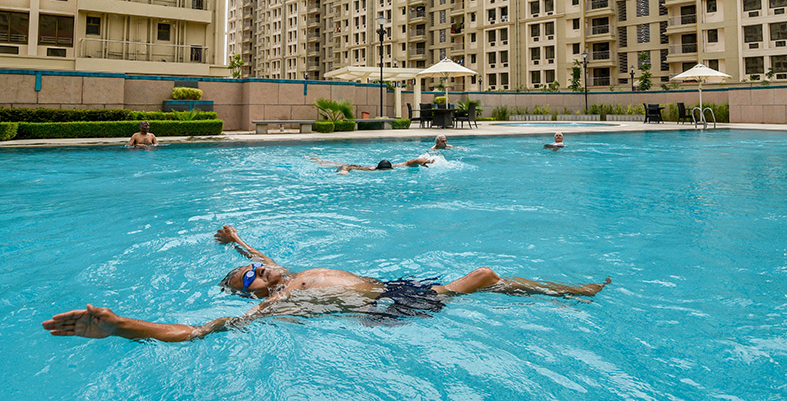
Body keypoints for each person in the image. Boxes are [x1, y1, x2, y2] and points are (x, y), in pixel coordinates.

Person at [42, 225, 611, 343]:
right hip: (388, 307)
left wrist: (235, 242)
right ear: (256, 293)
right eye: (252, 276)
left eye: (259, 267)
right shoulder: (280, 301)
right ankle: (559, 295)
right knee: (485, 276)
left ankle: (571, 294)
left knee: (500, 280)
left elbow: (260, 255)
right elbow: (195, 331)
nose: (261, 269)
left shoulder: (278, 270)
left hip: (392, 286)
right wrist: (120, 326)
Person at [309, 155, 435, 174]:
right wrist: (344, 172)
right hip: (355, 166)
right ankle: (317, 160)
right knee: (329, 165)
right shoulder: (371, 170)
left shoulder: (394, 166)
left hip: (357, 165)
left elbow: (408, 162)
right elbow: (347, 167)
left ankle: (318, 159)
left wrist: (423, 161)